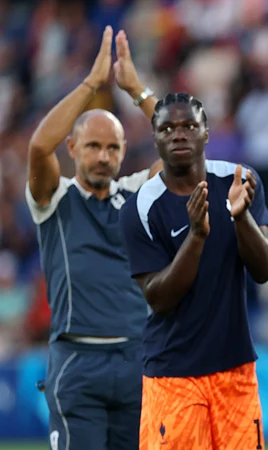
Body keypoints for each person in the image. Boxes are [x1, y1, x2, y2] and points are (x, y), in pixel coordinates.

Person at [25, 26, 158, 450]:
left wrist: (136, 89)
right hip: (78, 360)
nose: (104, 156)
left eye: (113, 148)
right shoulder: (53, 198)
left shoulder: (136, 191)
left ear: (123, 150)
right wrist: (91, 84)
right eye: (93, 146)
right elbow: (37, 149)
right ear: (72, 148)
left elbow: (189, 148)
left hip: (138, 358)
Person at [119, 92, 268, 449]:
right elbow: (159, 298)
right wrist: (197, 236)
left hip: (236, 372)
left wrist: (241, 217)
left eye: (189, 125)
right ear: (155, 136)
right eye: (167, 127)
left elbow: (265, 269)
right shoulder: (140, 207)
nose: (178, 134)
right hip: (173, 376)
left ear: (207, 133)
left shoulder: (239, 180)